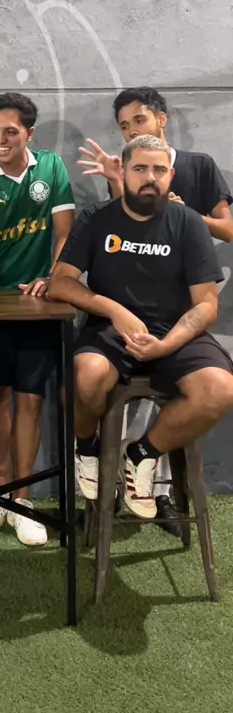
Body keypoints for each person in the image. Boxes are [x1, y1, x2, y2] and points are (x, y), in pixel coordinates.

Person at [50, 135, 233, 518]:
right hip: (109, 330)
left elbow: (205, 304)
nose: (150, 177)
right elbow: (61, 283)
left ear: (171, 175)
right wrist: (114, 310)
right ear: (124, 172)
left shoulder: (188, 222)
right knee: (86, 375)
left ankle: (142, 453)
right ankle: (87, 445)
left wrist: (166, 345)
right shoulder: (97, 217)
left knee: (220, 389)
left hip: (176, 331)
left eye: (159, 170)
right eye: (140, 168)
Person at [0, 92, 75, 546]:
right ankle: (1, 493)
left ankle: (22, 500)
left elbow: (64, 234)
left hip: (36, 305)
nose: (0, 139)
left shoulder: (51, 167)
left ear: (29, 133)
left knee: (30, 400)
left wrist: (52, 277)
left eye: (10, 131)